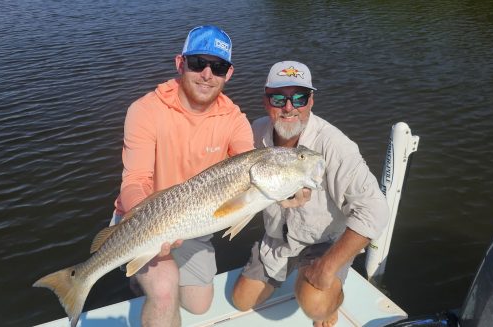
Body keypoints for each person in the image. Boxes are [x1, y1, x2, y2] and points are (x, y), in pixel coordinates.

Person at [112, 25, 254, 327]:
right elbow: (135, 180)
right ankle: (146, 279)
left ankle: (147, 276)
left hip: (192, 223)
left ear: (228, 74)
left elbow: (249, 165)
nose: (207, 74)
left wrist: (289, 192)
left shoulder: (235, 121)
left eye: (218, 67)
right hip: (140, 218)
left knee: (199, 306)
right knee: (164, 291)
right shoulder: (145, 110)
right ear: (180, 63)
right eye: (197, 63)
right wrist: (148, 225)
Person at [231, 61, 390, 327]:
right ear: (266, 101)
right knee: (241, 301)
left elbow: (375, 209)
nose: (289, 107)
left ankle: (331, 301)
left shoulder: (334, 145)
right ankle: (288, 269)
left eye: (299, 98)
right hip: (276, 241)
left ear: (311, 101)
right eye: (279, 98)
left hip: (323, 244)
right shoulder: (252, 133)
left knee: (315, 305)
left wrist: (327, 267)